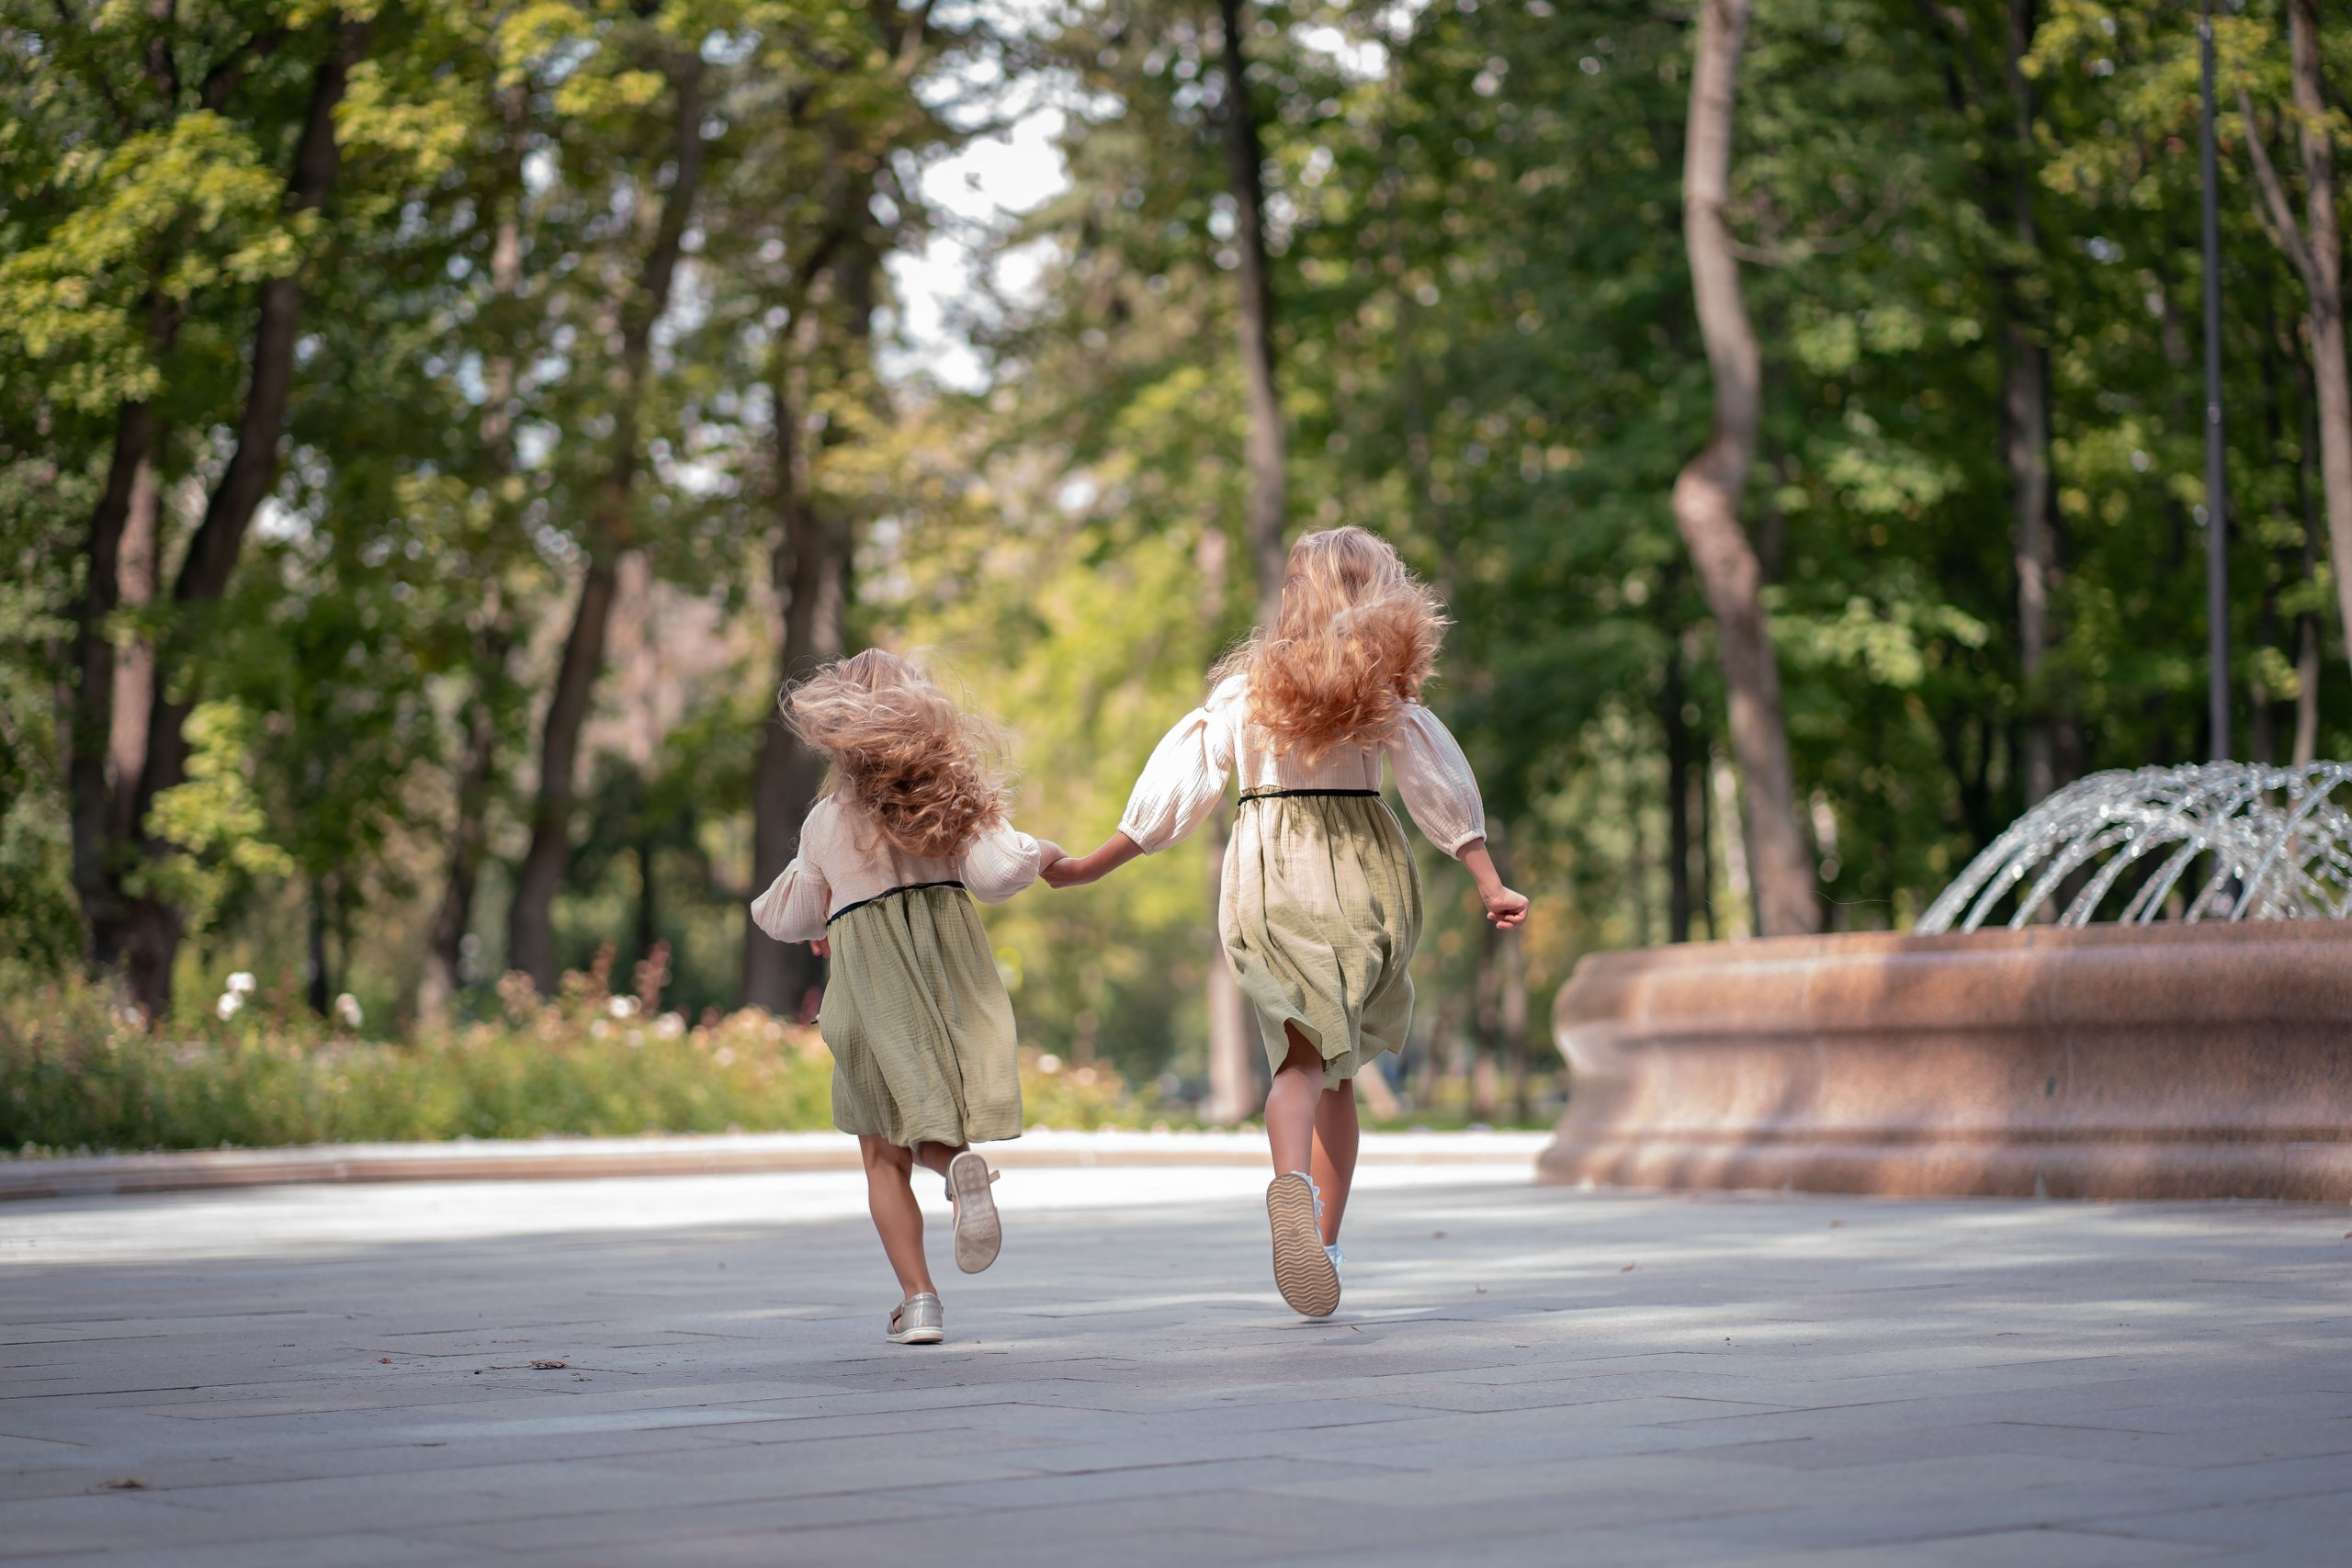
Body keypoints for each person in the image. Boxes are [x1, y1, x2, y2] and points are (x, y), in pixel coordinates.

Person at [1046, 526, 1528, 1318]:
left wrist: (1089, 865)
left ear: (1291, 596)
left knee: (1297, 1062)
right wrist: (1490, 881)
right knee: (1340, 1070)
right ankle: (1327, 1243)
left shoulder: (1247, 690)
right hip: (1363, 873)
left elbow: (1180, 787)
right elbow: (1438, 785)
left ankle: (1289, 1186)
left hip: (1270, 871)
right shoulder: (1385, 691)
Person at [750, 649, 1061, 1346]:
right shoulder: (950, 800)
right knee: (933, 1119)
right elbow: (998, 872)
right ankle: (957, 1166)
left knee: (880, 1149)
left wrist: (829, 908)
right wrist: (1040, 851)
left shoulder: (827, 820)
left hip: (869, 986)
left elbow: (788, 915)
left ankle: (919, 1300)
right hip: (950, 977)